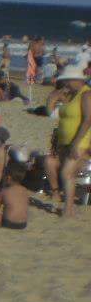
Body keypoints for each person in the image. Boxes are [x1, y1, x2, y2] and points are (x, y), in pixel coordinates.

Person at [43, 64, 91, 217]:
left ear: (76, 79)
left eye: (67, 81)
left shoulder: (86, 94)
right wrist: (53, 98)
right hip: (65, 142)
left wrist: (76, 143)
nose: (65, 84)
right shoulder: (71, 95)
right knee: (65, 173)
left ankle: (68, 210)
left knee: (67, 174)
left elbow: (88, 120)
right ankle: (68, 207)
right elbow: (53, 114)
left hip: (80, 142)